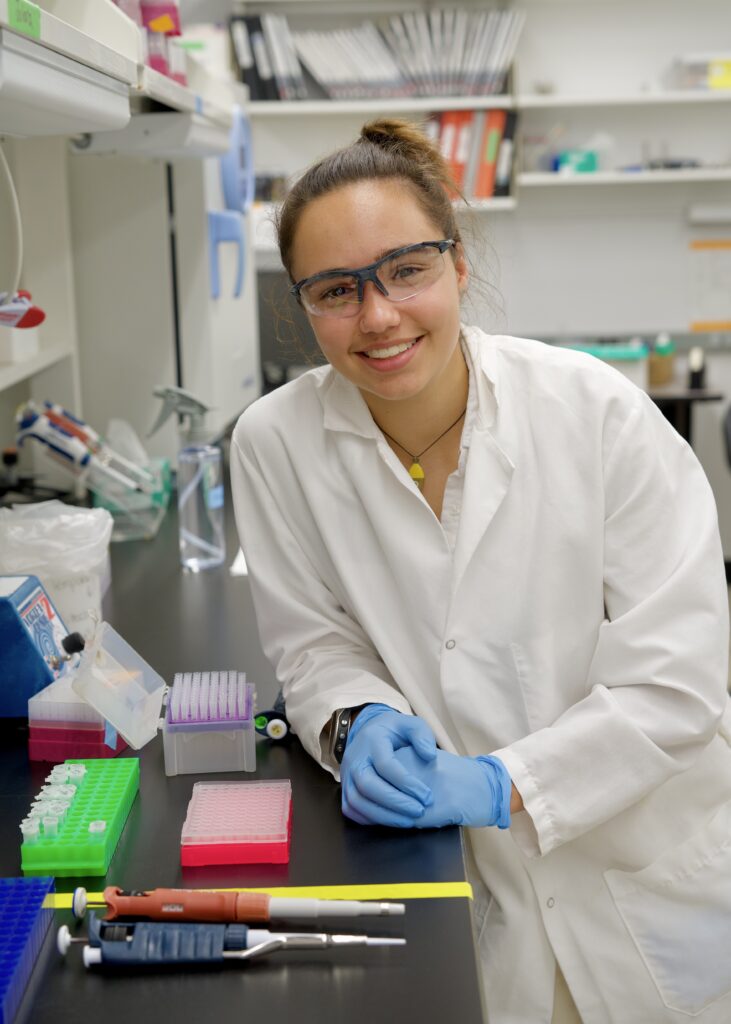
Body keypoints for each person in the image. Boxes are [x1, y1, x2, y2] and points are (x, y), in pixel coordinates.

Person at [230, 119, 731, 1024]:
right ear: (300, 304)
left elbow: (679, 682)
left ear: (458, 266)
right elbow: (313, 643)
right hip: (469, 886)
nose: (377, 316)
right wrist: (357, 717)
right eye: (337, 290)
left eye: (406, 270)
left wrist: (507, 784)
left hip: (649, 864)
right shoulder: (275, 444)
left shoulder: (595, 413)